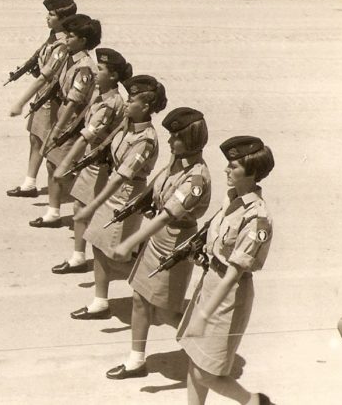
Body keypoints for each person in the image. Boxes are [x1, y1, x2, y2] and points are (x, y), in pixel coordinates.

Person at [105, 107, 211, 380]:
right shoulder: (176, 162)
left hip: (175, 242)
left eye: (175, 137)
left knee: (165, 311)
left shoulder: (196, 178)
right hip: (158, 240)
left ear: (190, 140)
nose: (169, 141)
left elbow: (167, 216)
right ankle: (135, 360)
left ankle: (205, 351)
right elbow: (156, 188)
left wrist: (130, 241)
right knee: (139, 299)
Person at [177, 136, 275, 405]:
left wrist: (204, 315)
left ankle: (255, 401)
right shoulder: (231, 199)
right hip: (209, 283)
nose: (226, 170)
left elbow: (235, 272)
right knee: (195, 358)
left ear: (252, 172)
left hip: (229, 297)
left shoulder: (257, 217)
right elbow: (220, 245)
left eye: (233, 166)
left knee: (207, 373)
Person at [66, 76, 168, 322]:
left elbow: (121, 179)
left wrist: (93, 204)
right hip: (116, 192)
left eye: (132, 100)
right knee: (100, 247)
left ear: (145, 107)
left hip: (125, 195)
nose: (127, 103)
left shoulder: (145, 140)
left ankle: (154, 283)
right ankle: (101, 302)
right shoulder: (128, 124)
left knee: (115, 254)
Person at [51, 49, 133, 275]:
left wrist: (64, 165)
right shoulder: (101, 96)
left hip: (99, 165)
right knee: (84, 207)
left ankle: (82, 258)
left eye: (101, 69)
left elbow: (87, 135)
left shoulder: (110, 103)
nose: (96, 72)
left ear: (114, 76)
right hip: (92, 161)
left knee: (85, 208)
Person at [32, 14, 101, 229]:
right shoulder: (70, 59)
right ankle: (54, 212)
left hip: (73, 120)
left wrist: (58, 129)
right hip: (63, 114)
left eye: (71, 36)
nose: (67, 39)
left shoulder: (84, 67)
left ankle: (84, 212)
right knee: (54, 164)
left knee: (65, 167)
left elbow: (73, 102)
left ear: (82, 41)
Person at [7, 0, 77, 200]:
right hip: (44, 95)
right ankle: (30, 182)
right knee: (35, 137)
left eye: (52, 15)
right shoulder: (54, 37)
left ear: (63, 19)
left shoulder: (63, 43)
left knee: (48, 141)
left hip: (52, 98)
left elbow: (45, 76)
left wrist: (20, 102)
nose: (47, 18)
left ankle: (57, 187)